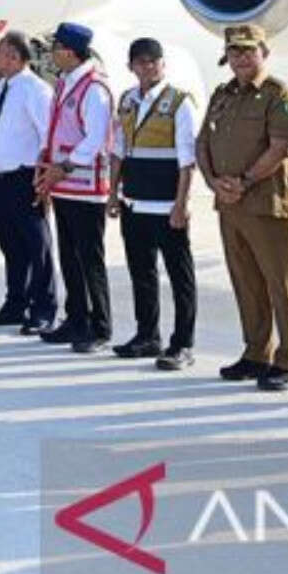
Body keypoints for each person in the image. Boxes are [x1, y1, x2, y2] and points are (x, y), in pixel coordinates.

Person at [199, 25, 288, 392]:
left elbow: (279, 147)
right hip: (230, 203)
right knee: (245, 282)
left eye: (249, 51)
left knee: (281, 284)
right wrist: (214, 182)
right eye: (234, 52)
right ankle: (257, 353)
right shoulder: (222, 94)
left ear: (264, 52)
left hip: (267, 203)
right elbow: (203, 143)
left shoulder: (279, 94)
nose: (241, 58)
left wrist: (242, 181)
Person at [106, 37, 198, 371]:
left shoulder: (179, 102)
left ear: (163, 64)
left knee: (179, 277)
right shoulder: (128, 100)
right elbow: (118, 151)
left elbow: (187, 160)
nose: (147, 67)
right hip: (134, 203)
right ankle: (148, 335)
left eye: (153, 61)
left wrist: (181, 204)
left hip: (165, 205)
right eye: (140, 62)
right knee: (141, 273)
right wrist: (113, 194)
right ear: (130, 66)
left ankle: (182, 343)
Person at [38, 23, 113, 352]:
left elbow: (95, 139)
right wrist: (47, 167)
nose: (52, 53)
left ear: (69, 51)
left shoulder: (93, 88)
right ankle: (76, 318)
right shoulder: (64, 83)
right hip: (63, 186)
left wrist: (63, 167)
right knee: (69, 257)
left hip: (85, 186)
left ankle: (100, 325)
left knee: (90, 259)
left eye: (56, 48)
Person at [0, 31, 57, 334]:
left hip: (25, 177)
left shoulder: (35, 89)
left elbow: (47, 136)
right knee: (11, 245)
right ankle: (16, 303)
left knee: (37, 247)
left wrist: (44, 180)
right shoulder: (3, 85)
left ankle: (43, 307)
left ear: (14, 56)